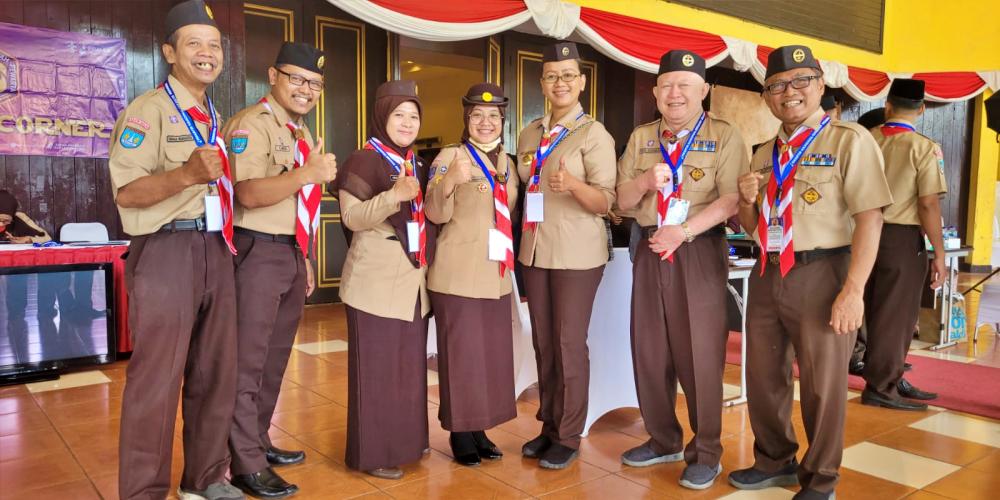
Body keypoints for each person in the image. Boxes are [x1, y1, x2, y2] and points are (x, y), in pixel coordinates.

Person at [730, 45, 892, 500]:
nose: (790, 92)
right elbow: (753, 226)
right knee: (763, 374)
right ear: (766, 96)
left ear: (821, 85)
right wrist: (746, 201)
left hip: (824, 272)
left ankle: (821, 479)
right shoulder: (765, 151)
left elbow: (870, 218)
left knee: (822, 383)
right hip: (768, 270)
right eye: (777, 85)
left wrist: (853, 291)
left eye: (801, 80)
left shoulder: (849, 141)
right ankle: (774, 460)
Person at [108, 1, 243, 499]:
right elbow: (126, 193)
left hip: (215, 246)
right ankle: (143, 490)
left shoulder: (212, 115)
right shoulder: (147, 112)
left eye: (214, 45)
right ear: (169, 52)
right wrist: (186, 174)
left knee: (214, 372)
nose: (207, 54)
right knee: (157, 379)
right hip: (166, 251)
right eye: (194, 44)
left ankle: (204, 479)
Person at [614, 49, 747, 489]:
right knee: (649, 348)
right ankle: (662, 438)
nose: (675, 94)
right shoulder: (641, 137)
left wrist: (683, 232)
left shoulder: (724, 135)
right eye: (667, 85)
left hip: (697, 249)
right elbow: (621, 201)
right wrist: (643, 182)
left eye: (685, 86)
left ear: (703, 90)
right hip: (650, 248)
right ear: (655, 91)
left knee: (700, 353)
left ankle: (706, 451)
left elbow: (731, 199)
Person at [222, 42, 338, 497]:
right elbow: (248, 194)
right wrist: (306, 174)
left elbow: (298, 207)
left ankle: (257, 438)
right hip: (256, 252)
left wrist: (303, 256)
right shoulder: (252, 124)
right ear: (273, 76)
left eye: (316, 84)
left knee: (273, 360)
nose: (306, 89)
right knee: (247, 361)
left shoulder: (300, 131)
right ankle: (244, 462)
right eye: (298, 79)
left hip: (288, 253)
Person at [515, 41, 617, 470]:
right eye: (552, 76)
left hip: (576, 254)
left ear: (582, 82)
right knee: (543, 341)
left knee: (567, 342)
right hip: (535, 250)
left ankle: (569, 434)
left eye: (569, 76)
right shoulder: (529, 133)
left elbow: (606, 201)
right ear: (542, 83)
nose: (561, 83)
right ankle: (550, 425)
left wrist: (574, 185)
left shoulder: (594, 134)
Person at [328, 80, 434, 481]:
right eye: (398, 115)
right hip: (374, 281)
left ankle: (407, 442)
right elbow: (352, 218)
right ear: (381, 117)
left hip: (413, 280)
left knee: (408, 367)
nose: (407, 123)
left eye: (413, 116)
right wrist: (394, 196)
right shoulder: (362, 160)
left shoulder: (416, 164)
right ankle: (373, 453)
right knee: (376, 370)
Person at [424, 83, 518, 467]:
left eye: (493, 116)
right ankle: (460, 432)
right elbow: (433, 212)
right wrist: (449, 181)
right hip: (457, 274)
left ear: (502, 121)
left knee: (489, 357)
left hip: (495, 274)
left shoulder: (507, 162)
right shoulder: (451, 155)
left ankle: (479, 428)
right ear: (466, 119)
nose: (485, 122)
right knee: (462, 357)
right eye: (477, 115)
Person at [861, 78, 946, 411]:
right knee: (895, 315)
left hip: (859, 234)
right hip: (900, 238)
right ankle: (882, 386)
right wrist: (939, 253)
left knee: (868, 308)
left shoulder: (864, 139)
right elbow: (928, 204)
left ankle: (884, 377)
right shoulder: (924, 148)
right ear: (922, 109)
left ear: (887, 106)